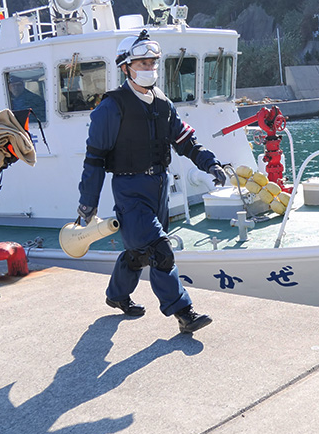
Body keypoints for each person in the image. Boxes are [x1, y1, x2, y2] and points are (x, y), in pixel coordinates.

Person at [77, 31, 226, 331]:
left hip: (159, 187)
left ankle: (117, 295)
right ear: (125, 67)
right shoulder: (110, 108)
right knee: (161, 251)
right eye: (142, 62)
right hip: (129, 190)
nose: (149, 68)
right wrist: (87, 205)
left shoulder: (163, 104)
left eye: (153, 62)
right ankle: (184, 312)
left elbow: (186, 142)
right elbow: (94, 159)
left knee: (139, 253)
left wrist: (211, 164)